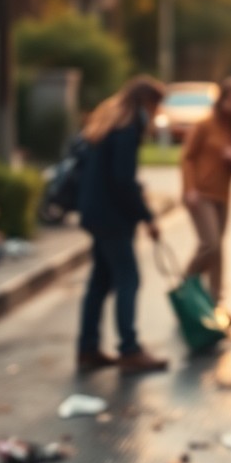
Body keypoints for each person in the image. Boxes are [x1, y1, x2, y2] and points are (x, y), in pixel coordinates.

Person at [76, 76, 169, 373]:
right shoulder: (127, 131)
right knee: (129, 279)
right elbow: (122, 182)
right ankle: (129, 349)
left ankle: (87, 349)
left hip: (94, 212)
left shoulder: (107, 125)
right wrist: (147, 217)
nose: (156, 115)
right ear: (146, 103)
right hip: (112, 217)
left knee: (100, 282)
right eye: (156, 107)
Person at [180, 77, 231, 317]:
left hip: (223, 196)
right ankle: (185, 285)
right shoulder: (204, 125)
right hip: (200, 194)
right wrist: (189, 188)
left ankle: (215, 302)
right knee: (210, 244)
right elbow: (187, 158)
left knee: (219, 249)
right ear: (220, 98)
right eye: (229, 98)